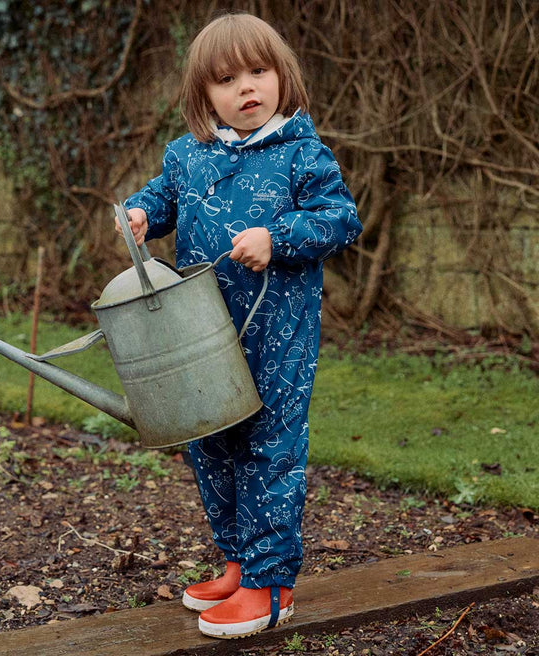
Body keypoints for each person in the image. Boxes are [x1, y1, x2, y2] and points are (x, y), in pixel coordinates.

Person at [115, 12, 362, 639]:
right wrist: (140, 216)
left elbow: (340, 220)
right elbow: (158, 200)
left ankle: (271, 585)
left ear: (283, 76)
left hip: (276, 335)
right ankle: (237, 563)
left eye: (259, 71)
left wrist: (278, 238)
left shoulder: (304, 155)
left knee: (268, 447)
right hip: (197, 333)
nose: (246, 87)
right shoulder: (189, 156)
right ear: (205, 96)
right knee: (210, 441)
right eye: (227, 79)